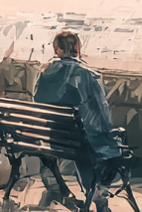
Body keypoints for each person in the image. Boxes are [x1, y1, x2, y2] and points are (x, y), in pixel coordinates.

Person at [34, 30, 126, 208]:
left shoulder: (44, 74)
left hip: (50, 137)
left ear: (56, 49)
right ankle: (97, 192)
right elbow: (101, 115)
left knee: (81, 142)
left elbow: (38, 103)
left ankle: (60, 187)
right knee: (103, 145)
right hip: (77, 140)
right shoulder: (88, 75)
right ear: (77, 48)